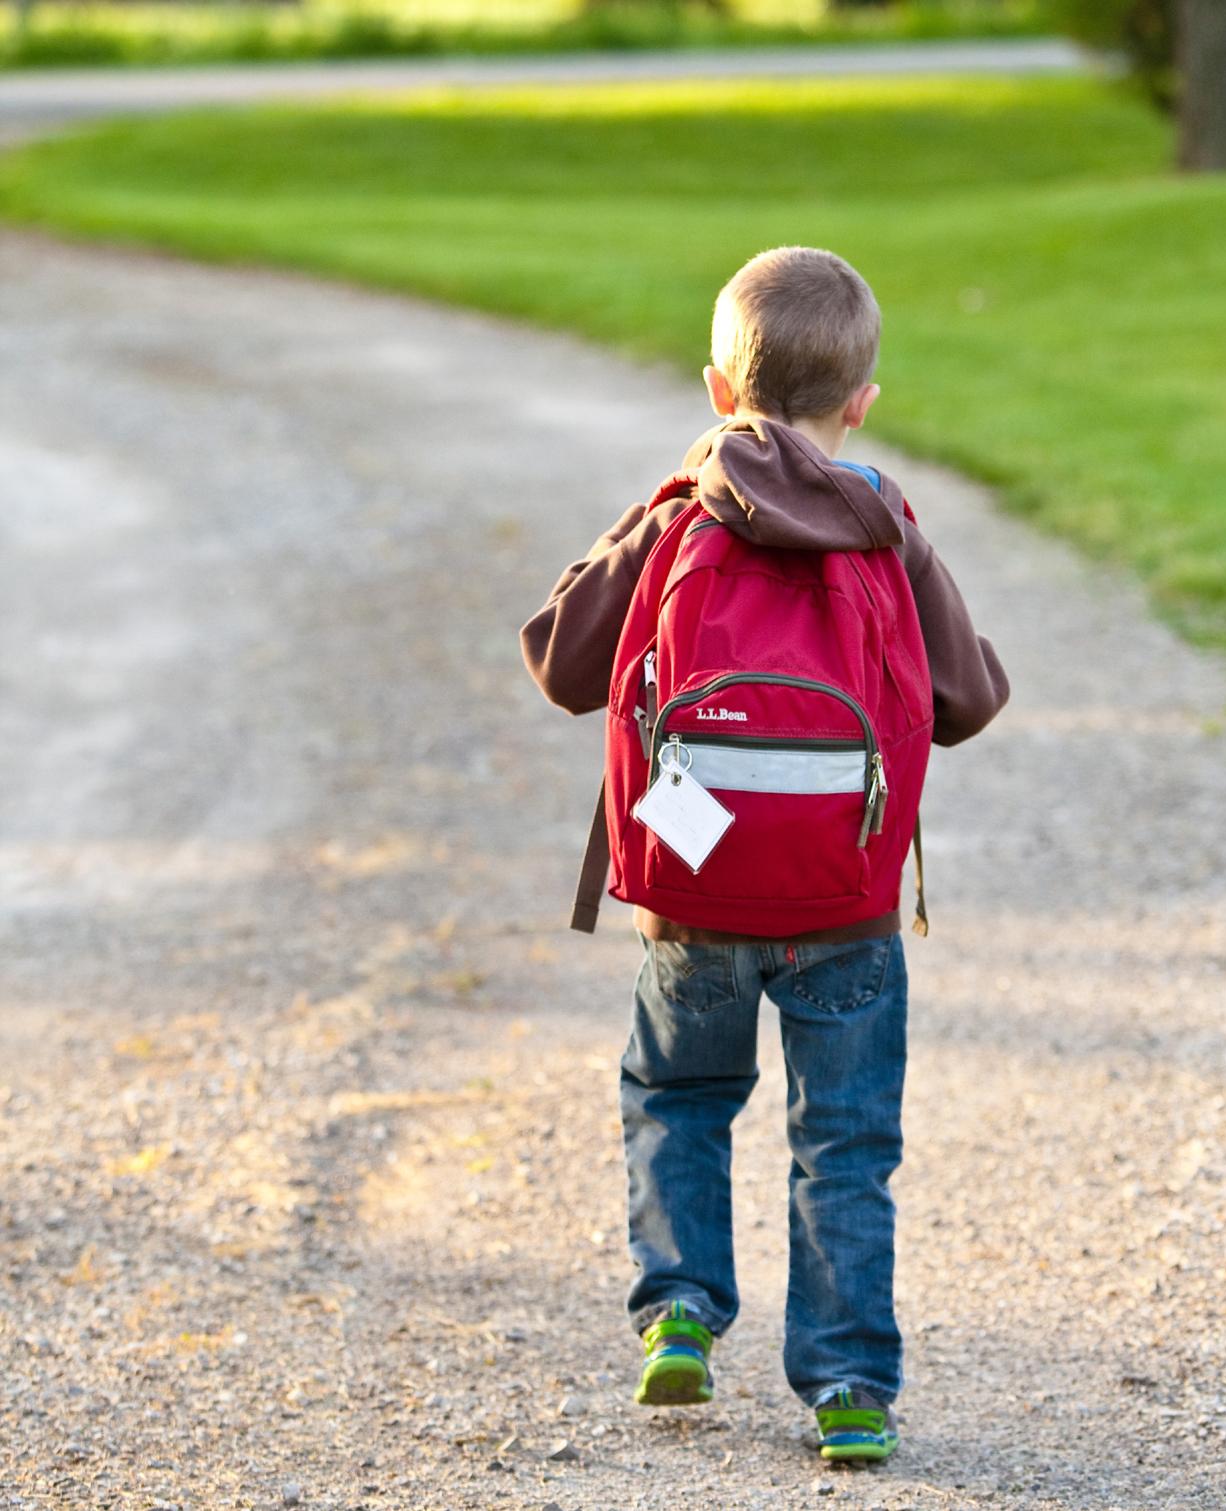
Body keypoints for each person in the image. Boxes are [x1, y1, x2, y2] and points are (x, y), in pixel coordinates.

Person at [520, 246, 1008, 1461]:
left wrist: (664, 498)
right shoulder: (883, 518)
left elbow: (561, 660)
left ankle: (680, 1308)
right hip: (846, 903)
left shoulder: (685, 511)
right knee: (842, 1142)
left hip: (694, 898)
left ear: (715, 391)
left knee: (679, 1096)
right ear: (862, 402)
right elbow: (969, 698)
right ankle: (848, 1387)